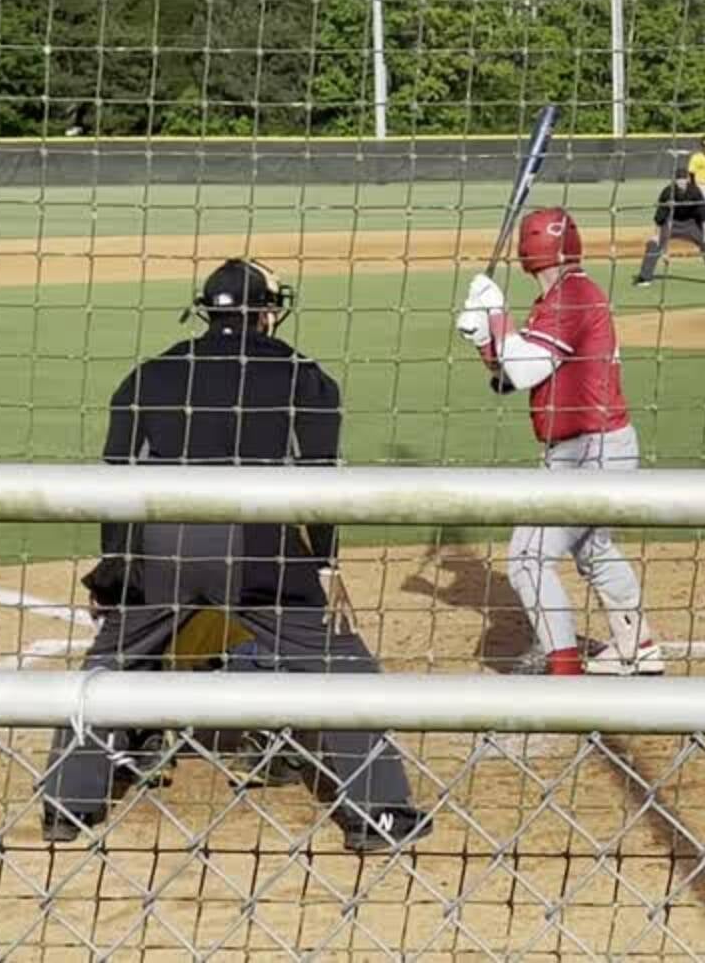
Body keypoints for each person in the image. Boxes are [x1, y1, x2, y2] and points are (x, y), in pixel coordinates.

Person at [41, 258, 431, 853]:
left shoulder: (150, 373)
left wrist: (118, 566)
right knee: (339, 663)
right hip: (256, 547)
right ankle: (376, 814)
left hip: (163, 543)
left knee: (114, 658)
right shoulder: (304, 374)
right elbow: (319, 476)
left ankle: (67, 806)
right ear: (266, 312)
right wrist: (323, 559)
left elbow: (117, 475)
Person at [455, 209, 664, 677]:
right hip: (595, 446)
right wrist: (486, 342)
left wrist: (494, 314)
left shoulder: (572, 295)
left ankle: (563, 666)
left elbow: (527, 369)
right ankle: (639, 645)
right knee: (593, 548)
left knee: (527, 559)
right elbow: (509, 377)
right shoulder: (564, 295)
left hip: (591, 450)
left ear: (527, 251)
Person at [636, 167, 705, 286]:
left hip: (691, 223)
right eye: (678, 179)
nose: (681, 181)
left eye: (683, 179)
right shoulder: (668, 192)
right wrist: (656, 235)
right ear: (674, 180)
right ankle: (645, 278)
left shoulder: (695, 191)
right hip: (671, 222)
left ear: (688, 179)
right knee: (653, 244)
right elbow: (659, 216)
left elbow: (703, 214)